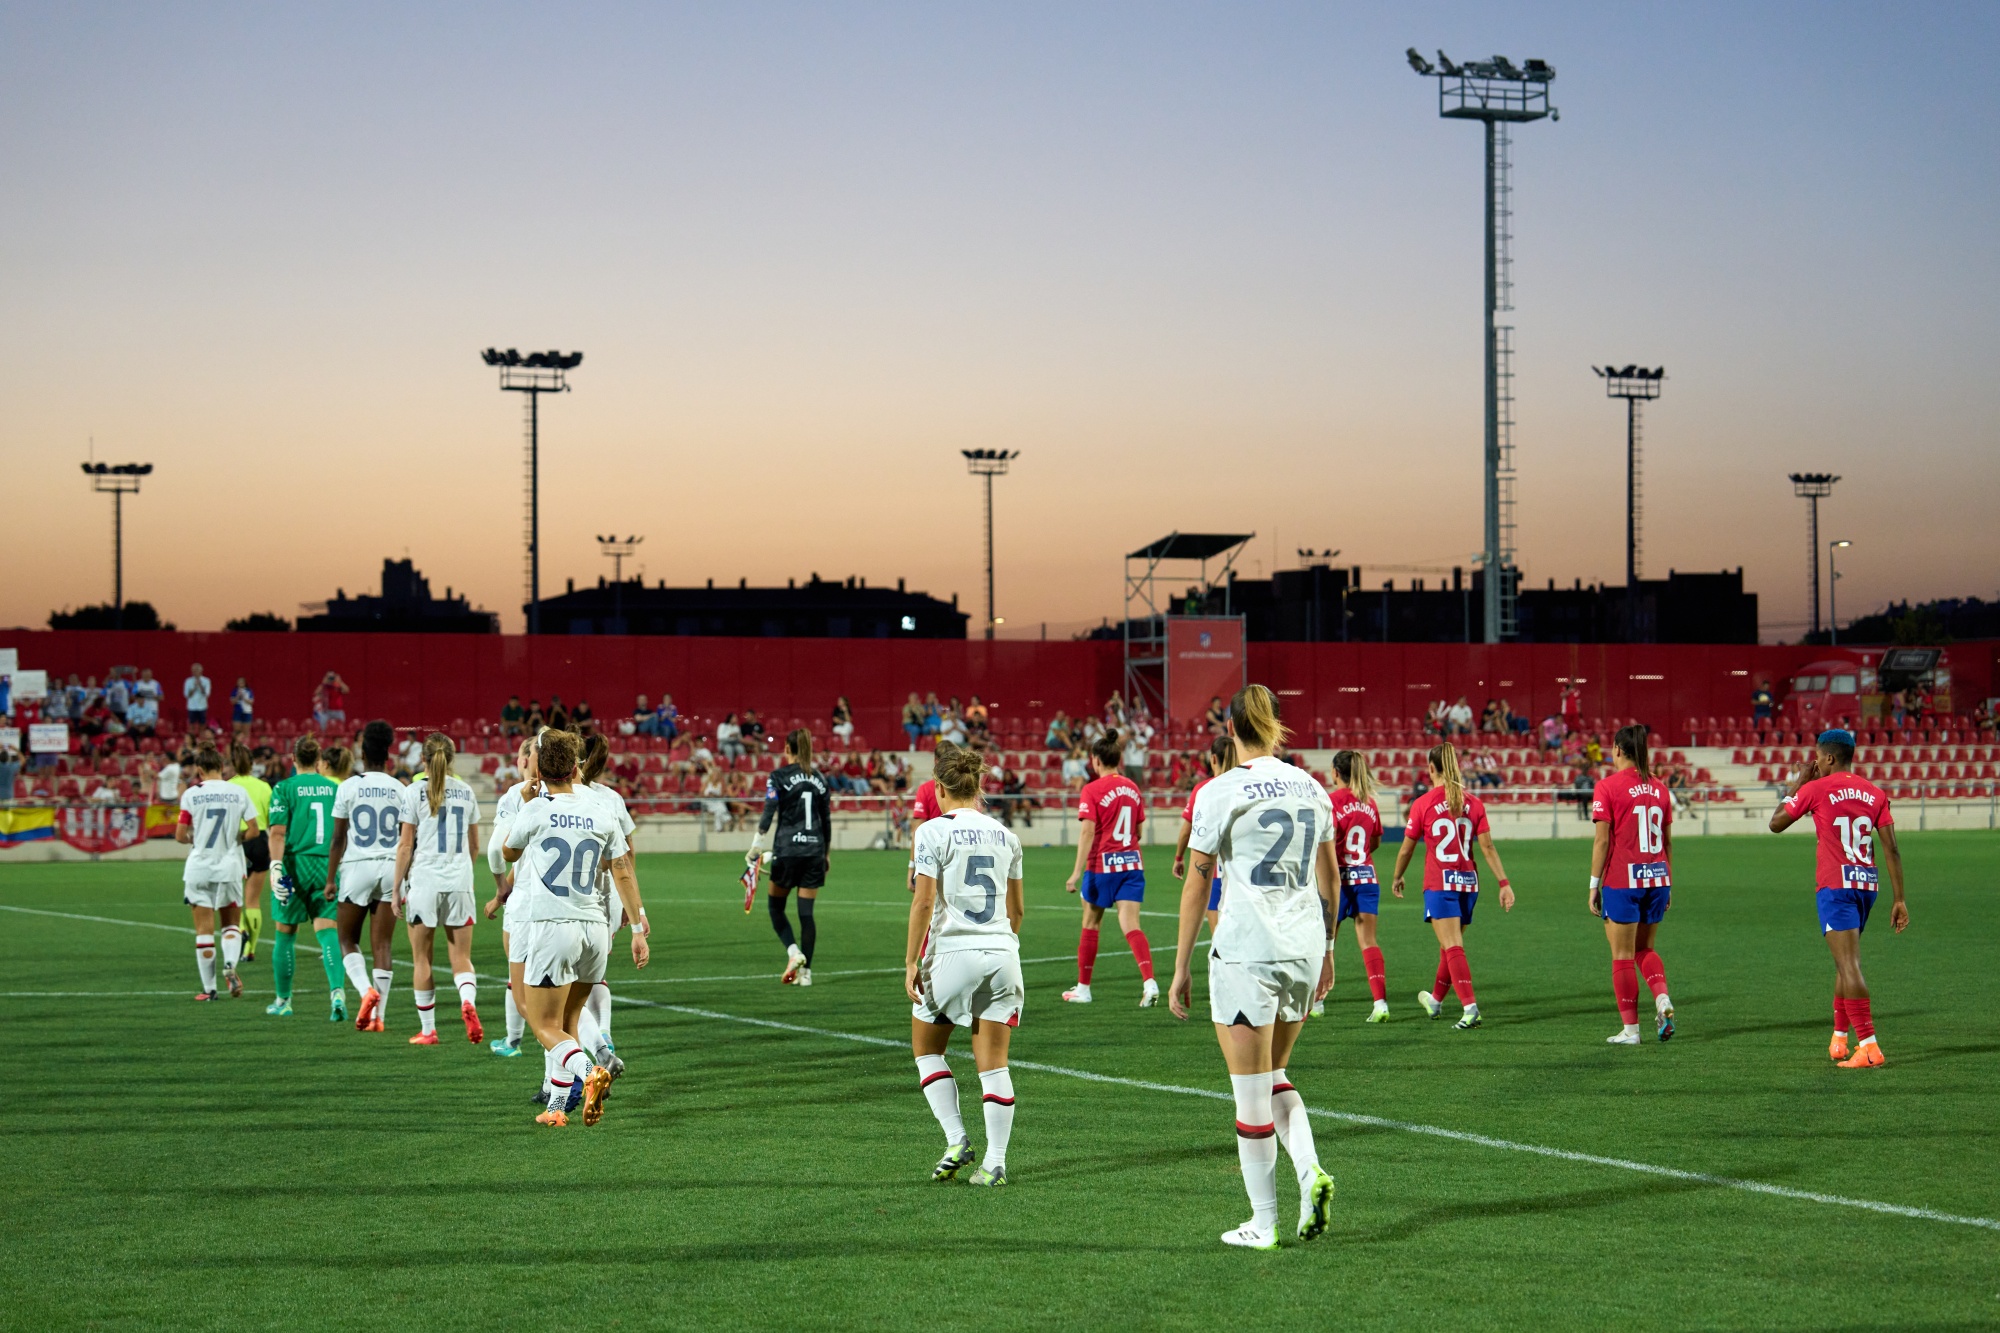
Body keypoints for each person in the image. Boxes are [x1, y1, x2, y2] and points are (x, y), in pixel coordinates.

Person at [1166, 684, 1337, 1250]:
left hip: (1248, 951)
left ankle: (1263, 1224)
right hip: (1305, 948)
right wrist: (1330, 949)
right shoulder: (1312, 787)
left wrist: (1181, 965)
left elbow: (1197, 881)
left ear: (1231, 728)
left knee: (1250, 1096)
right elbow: (1330, 875)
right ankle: (1309, 1172)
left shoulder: (1220, 790)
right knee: (1274, 1076)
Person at [502, 729, 650, 1128]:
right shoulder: (601, 806)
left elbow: (508, 852)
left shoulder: (535, 807)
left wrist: (529, 802)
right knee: (568, 1022)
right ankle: (555, 1107)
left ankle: (590, 1074)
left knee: (542, 1024)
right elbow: (622, 868)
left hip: (554, 927)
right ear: (574, 766)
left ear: (540, 767)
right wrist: (636, 927)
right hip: (596, 929)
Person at [905, 740, 1025, 1187]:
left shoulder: (931, 831)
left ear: (939, 786)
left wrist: (909, 961)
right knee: (994, 1063)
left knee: (927, 1050)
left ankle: (957, 1139)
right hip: (1002, 953)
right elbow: (1017, 912)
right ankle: (995, 1164)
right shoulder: (1007, 835)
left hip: (952, 954)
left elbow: (923, 902)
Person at [1769, 729, 1909, 1068]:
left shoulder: (1815, 788)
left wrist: (1800, 781)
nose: (1814, 762)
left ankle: (1869, 1045)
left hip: (1835, 888)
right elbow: (1890, 847)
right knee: (1844, 961)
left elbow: (1776, 823)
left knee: (1849, 964)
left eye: (1817, 756)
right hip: (1866, 886)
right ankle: (1839, 1038)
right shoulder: (1874, 792)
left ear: (1829, 757)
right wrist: (1900, 899)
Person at [1391, 743, 1515, 1030]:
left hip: (1440, 883)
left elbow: (1407, 849)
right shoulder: (1473, 802)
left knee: (1452, 945)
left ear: (1431, 769)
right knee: (1449, 946)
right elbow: (1488, 847)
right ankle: (1435, 999)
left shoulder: (1422, 803)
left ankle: (1470, 1008)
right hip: (1469, 883)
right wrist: (1504, 883)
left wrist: (1397, 875)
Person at [392, 733, 484, 1046]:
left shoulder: (414, 791)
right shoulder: (466, 791)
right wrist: (462, 871)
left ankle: (429, 1030)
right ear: (452, 758)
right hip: (459, 882)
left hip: (424, 882)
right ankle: (467, 1001)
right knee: (461, 957)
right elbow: (474, 846)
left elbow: (405, 845)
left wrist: (395, 889)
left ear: (423, 760)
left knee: (422, 959)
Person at [1588, 726, 1678, 1045]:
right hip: (1657, 877)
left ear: (1617, 750)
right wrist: (1667, 881)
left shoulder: (1608, 786)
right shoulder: (1661, 788)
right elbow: (1667, 841)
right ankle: (1662, 998)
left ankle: (1631, 1031)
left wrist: (1593, 885)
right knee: (1645, 949)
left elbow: (1601, 842)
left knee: (1622, 955)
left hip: (1623, 879)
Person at [1061, 734, 1158, 1007]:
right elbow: (1138, 830)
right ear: (1119, 760)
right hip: (1132, 864)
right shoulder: (1133, 788)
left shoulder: (1091, 790)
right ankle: (1149, 983)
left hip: (1102, 866)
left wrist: (1076, 872)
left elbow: (1087, 832)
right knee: (1132, 926)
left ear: (1096, 760)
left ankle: (1084, 988)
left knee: (1091, 923)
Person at [326, 720, 405, 1033]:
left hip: (358, 866)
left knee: (346, 938)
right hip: (390, 868)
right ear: (387, 753)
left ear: (361, 751)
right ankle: (379, 1018)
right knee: (382, 945)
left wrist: (331, 879)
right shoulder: (400, 789)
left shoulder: (348, 787)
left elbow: (337, 838)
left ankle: (364, 992)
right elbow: (406, 839)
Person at [264, 736, 347, 1019]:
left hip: (293, 866)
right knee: (328, 932)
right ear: (318, 760)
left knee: (285, 933)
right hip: (327, 865)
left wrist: (275, 866)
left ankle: (283, 1001)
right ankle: (337, 992)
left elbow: (277, 833)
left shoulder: (284, 788)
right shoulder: (334, 788)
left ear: (293, 758)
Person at [578, 734, 645, 1076]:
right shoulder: (613, 799)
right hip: (611, 898)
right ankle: (603, 1031)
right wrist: (638, 912)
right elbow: (627, 856)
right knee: (595, 974)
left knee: (566, 988)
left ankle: (568, 1072)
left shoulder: (569, 797)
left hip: (574, 898)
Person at [175, 747, 261, 1001]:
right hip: (231, 866)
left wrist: (194, 838)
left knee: (204, 929)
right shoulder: (238, 791)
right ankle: (230, 964)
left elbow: (180, 835)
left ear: (199, 770)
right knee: (231, 924)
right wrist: (238, 838)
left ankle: (209, 989)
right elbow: (254, 830)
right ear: (222, 768)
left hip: (199, 867)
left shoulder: (192, 794)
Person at [747, 730, 831, 986]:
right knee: (806, 914)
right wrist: (825, 853)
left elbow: (769, 811)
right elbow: (825, 820)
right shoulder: (820, 779)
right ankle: (806, 975)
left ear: (787, 749)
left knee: (776, 908)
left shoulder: (778, 777)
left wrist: (756, 846)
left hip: (787, 851)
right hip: (814, 851)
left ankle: (794, 953)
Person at [483, 735, 536, 1059]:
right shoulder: (575, 796)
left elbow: (495, 850)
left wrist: (501, 886)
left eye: (520, 754)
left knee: (521, 985)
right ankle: (598, 1042)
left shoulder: (517, 795)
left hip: (526, 904)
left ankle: (572, 1056)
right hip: (573, 905)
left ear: (528, 760)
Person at [1328, 750, 1388, 1022]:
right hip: (1366, 877)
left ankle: (1316, 1002)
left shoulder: (1330, 802)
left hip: (1337, 881)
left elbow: (1325, 845)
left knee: (1327, 941)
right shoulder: (1369, 802)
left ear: (1335, 773)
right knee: (1368, 942)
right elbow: (1374, 842)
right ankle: (1380, 1003)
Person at [1173, 735, 1235, 934]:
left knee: (1219, 934)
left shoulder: (1204, 789)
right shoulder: (1247, 787)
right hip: (1242, 869)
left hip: (1215, 870)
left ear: (1213, 759)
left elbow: (1186, 830)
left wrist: (1179, 858)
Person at [227, 742, 273, 965]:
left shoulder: (228, 786)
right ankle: (250, 950)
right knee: (253, 901)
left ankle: (237, 936)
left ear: (232, 764)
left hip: (237, 842)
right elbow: (271, 818)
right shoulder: (264, 787)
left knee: (235, 899)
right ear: (253, 764)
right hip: (260, 841)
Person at [183, 664, 213, 728]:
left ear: (201, 671)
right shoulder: (188, 681)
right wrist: (194, 687)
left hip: (202, 706)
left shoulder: (206, 680)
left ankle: (201, 737)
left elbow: (207, 694)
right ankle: (192, 737)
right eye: (193, 670)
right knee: (191, 724)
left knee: (202, 724)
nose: (194, 672)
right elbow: (186, 695)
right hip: (191, 706)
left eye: (196, 670)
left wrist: (200, 685)